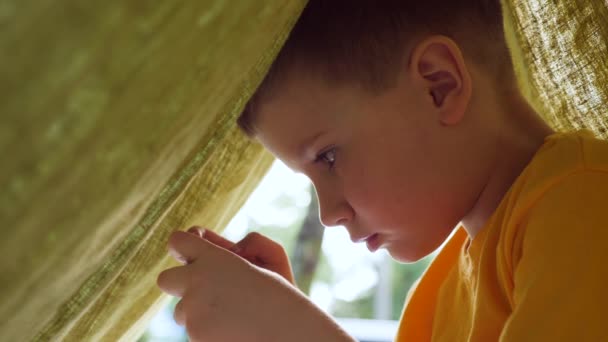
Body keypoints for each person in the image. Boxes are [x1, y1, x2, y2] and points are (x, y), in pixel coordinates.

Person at [157, 1, 608, 341]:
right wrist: (279, 314)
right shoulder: (438, 292)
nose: (329, 214)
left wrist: (297, 331)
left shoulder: (586, 204)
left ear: (439, 86)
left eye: (328, 157)